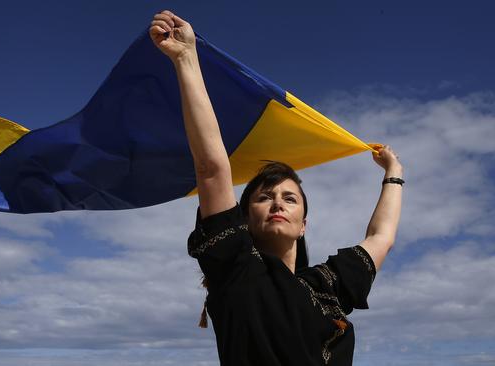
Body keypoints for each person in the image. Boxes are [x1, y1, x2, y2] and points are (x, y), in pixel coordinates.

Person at [150, 10, 403, 366]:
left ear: (303, 225)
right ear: (245, 220)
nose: (277, 204)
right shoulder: (235, 268)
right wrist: (186, 58)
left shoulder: (326, 285)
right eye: (264, 197)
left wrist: (394, 172)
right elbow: (211, 169)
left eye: (290, 198)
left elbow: (381, 237)